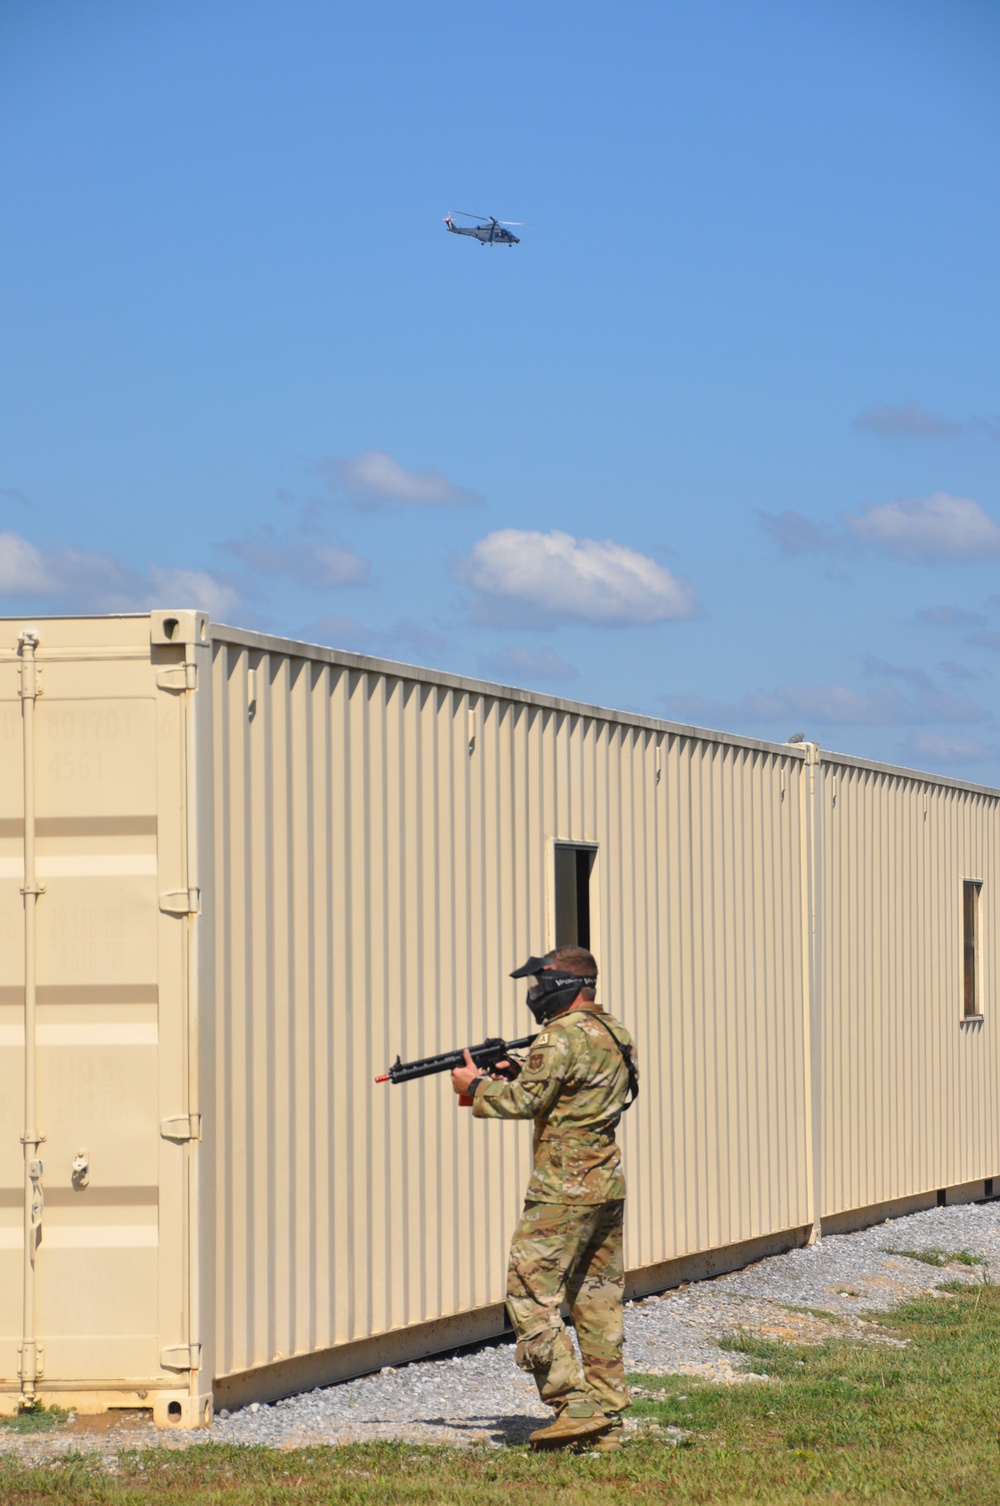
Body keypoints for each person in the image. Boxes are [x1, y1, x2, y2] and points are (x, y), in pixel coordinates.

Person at [451, 945, 638, 1451]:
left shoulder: (557, 1038)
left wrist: (477, 1087)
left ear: (563, 984)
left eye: (540, 984)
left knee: (529, 1293)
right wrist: (518, 1074)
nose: (534, 994)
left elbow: (529, 1100)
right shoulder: (614, 1032)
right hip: (605, 1184)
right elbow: (569, 1091)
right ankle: (606, 1421)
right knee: (597, 1300)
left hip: (562, 1190)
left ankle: (571, 1404)